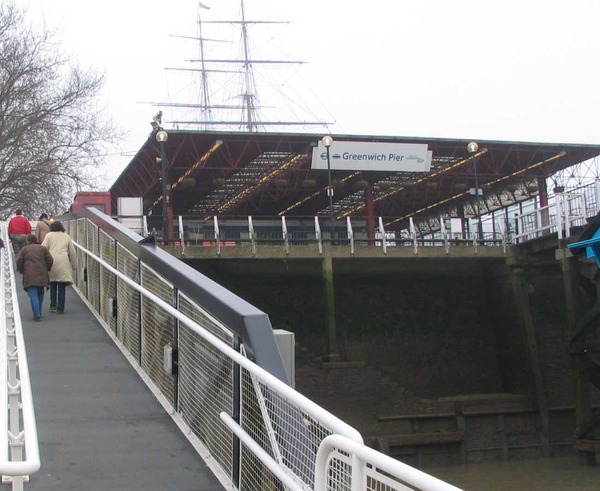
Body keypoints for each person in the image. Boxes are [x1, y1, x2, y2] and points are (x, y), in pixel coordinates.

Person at [41, 221, 76, 314]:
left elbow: (43, 248)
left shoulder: (49, 235)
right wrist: (74, 265)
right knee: (61, 285)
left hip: (51, 260)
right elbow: (72, 252)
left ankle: (53, 305)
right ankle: (60, 308)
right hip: (63, 261)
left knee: (53, 283)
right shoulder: (66, 236)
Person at [16, 234, 53, 322]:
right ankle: (38, 312)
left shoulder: (24, 249)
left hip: (29, 274)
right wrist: (47, 268)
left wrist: (21, 270)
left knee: (33, 295)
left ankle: (36, 314)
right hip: (42, 274)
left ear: (28, 241)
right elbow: (50, 259)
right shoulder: (43, 249)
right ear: (36, 240)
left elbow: (19, 261)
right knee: (40, 293)